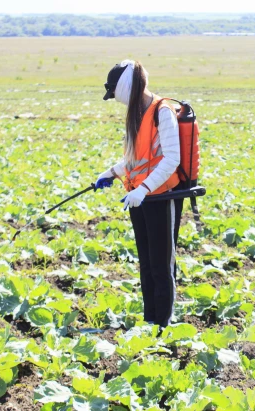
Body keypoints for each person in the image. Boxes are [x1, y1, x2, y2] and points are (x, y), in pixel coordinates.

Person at [94, 60, 181, 328]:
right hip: (138, 196)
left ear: (127, 89)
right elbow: (138, 157)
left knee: (161, 266)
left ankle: (162, 325)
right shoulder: (137, 112)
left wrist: (144, 189)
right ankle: (150, 320)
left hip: (160, 196)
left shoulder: (162, 112)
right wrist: (112, 172)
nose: (117, 102)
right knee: (146, 264)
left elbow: (172, 159)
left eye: (116, 95)